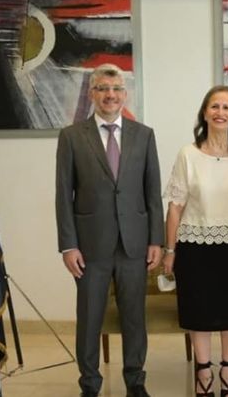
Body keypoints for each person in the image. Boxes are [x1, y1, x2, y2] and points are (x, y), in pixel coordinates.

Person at [55, 63, 164, 397]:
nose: (110, 95)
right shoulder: (72, 136)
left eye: (116, 89)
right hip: (90, 247)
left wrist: (156, 240)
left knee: (134, 318)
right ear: (92, 93)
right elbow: (63, 194)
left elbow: (152, 192)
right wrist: (68, 245)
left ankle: (136, 381)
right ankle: (90, 384)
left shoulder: (144, 135)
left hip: (134, 245)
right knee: (90, 318)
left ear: (124, 94)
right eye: (103, 88)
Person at [162, 85, 228, 397]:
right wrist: (170, 250)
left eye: (226, 107)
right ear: (205, 113)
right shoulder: (188, 154)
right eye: (215, 106)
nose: (220, 112)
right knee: (200, 311)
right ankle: (203, 371)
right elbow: (175, 206)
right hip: (195, 245)